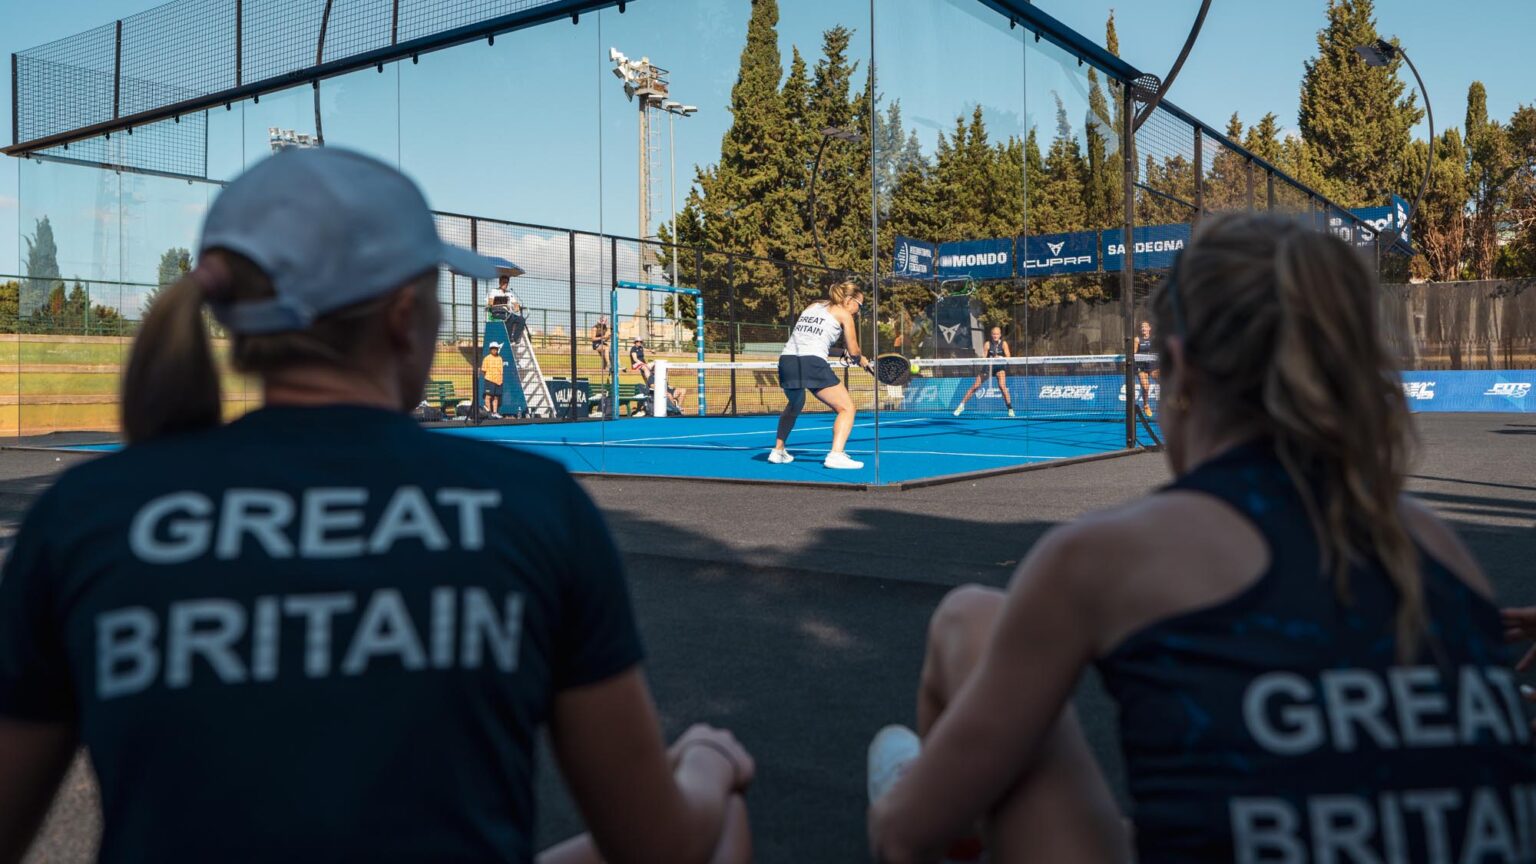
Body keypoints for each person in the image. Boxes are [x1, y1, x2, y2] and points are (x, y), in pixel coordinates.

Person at [0, 148, 754, 864]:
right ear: (401, 317)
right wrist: (707, 762)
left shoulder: (83, 517)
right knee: (720, 824)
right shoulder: (534, 506)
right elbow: (657, 846)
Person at [866, 213, 1536, 863]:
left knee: (969, 619)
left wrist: (898, 784)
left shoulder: (1105, 556)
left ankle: (929, 786)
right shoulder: (1433, 544)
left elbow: (900, 837)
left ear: (1179, 369)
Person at [770, 280, 870, 470]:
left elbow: (812, 339)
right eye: (860, 305)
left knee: (795, 404)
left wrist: (843, 353)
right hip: (811, 363)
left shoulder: (813, 306)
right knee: (847, 408)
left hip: (787, 361)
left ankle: (778, 451)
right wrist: (861, 360)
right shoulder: (845, 315)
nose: (859, 311)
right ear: (849, 300)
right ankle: (836, 455)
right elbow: (855, 352)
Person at [952, 325, 1016, 419]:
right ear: (991, 335)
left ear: (1000, 335)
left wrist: (1000, 357)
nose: (995, 336)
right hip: (988, 367)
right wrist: (984, 359)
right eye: (994, 334)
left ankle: (1010, 409)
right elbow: (984, 357)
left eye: (997, 334)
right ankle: (961, 406)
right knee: (975, 386)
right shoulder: (987, 344)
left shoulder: (1004, 344)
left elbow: (1008, 356)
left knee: (1002, 387)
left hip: (999, 368)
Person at [1134, 319, 1158, 419]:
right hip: (1141, 367)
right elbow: (1134, 354)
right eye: (1142, 327)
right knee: (1145, 387)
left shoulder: (1154, 339)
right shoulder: (1137, 340)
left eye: (1145, 326)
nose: (1143, 328)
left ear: (1149, 328)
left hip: (1152, 366)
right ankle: (1146, 405)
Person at [482, 341, 505, 418]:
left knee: (496, 397)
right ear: (490, 349)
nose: (494, 350)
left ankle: (495, 413)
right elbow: (484, 371)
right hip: (489, 381)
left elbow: (501, 370)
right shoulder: (487, 358)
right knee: (488, 397)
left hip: (499, 381)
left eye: (496, 348)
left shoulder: (500, 358)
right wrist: (489, 378)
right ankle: (489, 413)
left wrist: (500, 380)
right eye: (493, 348)